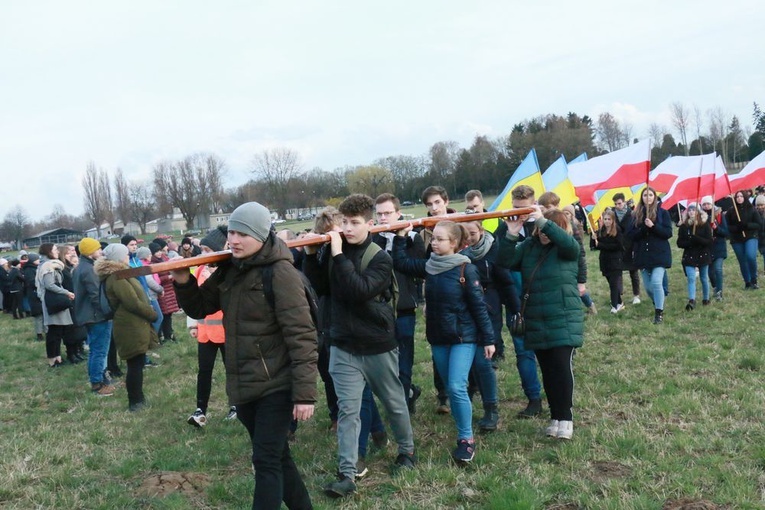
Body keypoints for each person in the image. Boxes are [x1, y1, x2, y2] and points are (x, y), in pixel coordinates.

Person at [173, 201, 318, 510]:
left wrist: (305, 393)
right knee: (279, 457)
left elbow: (302, 335)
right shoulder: (231, 269)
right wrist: (183, 281)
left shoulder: (281, 273)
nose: (234, 240)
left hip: (277, 384)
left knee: (265, 461)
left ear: (262, 236)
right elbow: (200, 308)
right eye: (232, 233)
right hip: (244, 383)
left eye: (242, 234)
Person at [303, 194, 415, 498]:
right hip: (342, 344)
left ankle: (407, 451)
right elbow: (322, 288)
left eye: (355, 223)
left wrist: (338, 256)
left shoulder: (379, 257)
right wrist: (313, 255)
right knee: (348, 410)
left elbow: (359, 291)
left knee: (393, 401)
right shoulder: (332, 251)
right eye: (345, 222)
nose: (348, 228)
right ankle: (347, 473)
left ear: (369, 224)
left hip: (377, 343)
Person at [393, 219, 494, 461]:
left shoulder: (465, 269)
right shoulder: (430, 266)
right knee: (451, 386)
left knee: (457, 386)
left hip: (463, 337)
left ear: (455, 244)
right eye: (433, 238)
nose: (434, 243)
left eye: (440, 239)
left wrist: (489, 339)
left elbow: (479, 307)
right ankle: (463, 427)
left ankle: (466, 439)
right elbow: (401, 263)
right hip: (438, 337)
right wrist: (399, 238)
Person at [498, 207, 584, 440]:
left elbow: (568, 245)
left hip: (563, 317)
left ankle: (566, 417)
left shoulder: (568, 248)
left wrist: (544, 221)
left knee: (561, 368)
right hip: (537, 317)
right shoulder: (529, 247)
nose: (544, 233)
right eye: (539, 229)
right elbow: (505, 260)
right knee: (547, 370)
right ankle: (555, 416)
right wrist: (511, 233)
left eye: (548, 228)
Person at [373, 193, 426, 414]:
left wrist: (401, 240)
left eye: (387, 213)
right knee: (384, 365)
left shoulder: (413, 238)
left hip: (404, 308)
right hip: (379, 309)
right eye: (379, 214)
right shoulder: (373, 239)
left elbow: (416, 267)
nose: (383, 218)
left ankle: (402, 407)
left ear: (398, 213)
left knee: (404, 360)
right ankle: (409, 392)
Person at [494, 185, 544, 418]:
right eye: (515, 208)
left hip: (543, 297)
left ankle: (558, 394)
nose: (520, 214)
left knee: (549, 352)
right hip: (515, 299)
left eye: (525, 209)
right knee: (523, 352)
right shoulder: (504, 226)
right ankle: (534, 399)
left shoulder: (543, 225)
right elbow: (499, 261)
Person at [463, 219, 517, 431]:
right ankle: (469, 393)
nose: (468, 238)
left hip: (489, 307)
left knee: (484, 360)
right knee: (469, 358)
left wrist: (516, 310)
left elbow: (505, 280)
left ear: (481, 231)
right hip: (466, 310)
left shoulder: (492, 251)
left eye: (472, 233)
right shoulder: (459, 255)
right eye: (464, 234)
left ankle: (491, 409)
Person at [96, 243, 159, 412]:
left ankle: (138, 398)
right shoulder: (117, 276)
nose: (127, 256)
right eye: (125, 254)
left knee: (137, 362)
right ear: (118, 257)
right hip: (129, 324)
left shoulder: (120, 273)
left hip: (133, 322)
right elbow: (132, 302)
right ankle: (135, 402)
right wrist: (152, 314)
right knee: (135, 363)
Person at [186, 226, 238, 427]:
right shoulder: (198, 269)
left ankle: (235, 405)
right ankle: (201, 409)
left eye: (208, 250)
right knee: (204, 371)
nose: (203, 254)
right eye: (203, 249)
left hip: (226, 332)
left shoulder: (228, 271)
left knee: (231, 369)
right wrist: (193, 324)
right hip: (205, 333)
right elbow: (193, 299)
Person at [72, 238, 115, 395]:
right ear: (90, 252)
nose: (100, 252)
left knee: (95, 350)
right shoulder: (89, 270)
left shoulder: (81, 267)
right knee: (100, 351)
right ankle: (98, 384)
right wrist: (108, 311)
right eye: (97, 249)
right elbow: (96, 296)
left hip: (90, 316)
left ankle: (98, 379)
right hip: (97, 316)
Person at [628, 187, 673, 325]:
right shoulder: (636, 215)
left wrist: (653, 226)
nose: (648, 197)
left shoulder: (663, 213)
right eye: (645, 195)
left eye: (650, 195)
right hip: (643, 255)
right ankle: (658, 301)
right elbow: (630, 236)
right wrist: (643, 228)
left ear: (655, 197)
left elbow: (668, 233)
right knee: (648, 287)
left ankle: (659, 312)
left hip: (660, 254)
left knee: (656, 281)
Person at [36, 244, 75, 369]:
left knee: (58, 331)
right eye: (54, 249)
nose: (57, 251)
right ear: (49, 252)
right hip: (53, 302)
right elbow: (50, 285)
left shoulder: (54, 265)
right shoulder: (48, 266)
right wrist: (66, 292)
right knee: (53, 332)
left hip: (56, 301)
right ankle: (52, 359)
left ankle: (57, 357)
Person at [677, 204, 713, 310]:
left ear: (698, 212)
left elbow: (709, 241)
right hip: (690, 255)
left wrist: (697, 239)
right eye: (690, 210)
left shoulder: (704, 224)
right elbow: (679, 243)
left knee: (704, 277)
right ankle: (692, 300)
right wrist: (689, 242)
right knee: (691, 278)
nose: (691, 212)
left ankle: (706, 298)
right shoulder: (684, 226)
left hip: (703, 254)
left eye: (694, 210)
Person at [726, 190, 761, 290]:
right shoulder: (731, 211)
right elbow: (727, 226)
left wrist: (747, 225)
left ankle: (754, 279)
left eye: (741, 196)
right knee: (742, 260)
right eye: (737, 197)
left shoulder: (752, 209)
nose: (739, 198)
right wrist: (736, 228)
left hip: (750, 236)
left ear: (745, 197)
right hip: (737, 239)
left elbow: (758, 224)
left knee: (750, 256)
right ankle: (747, 281)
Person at [592, 208, 625, 313]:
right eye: (605, 219)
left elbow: (618, 246)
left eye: (609, 219)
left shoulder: (617, 230)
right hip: (605, 261)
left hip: (615, 261)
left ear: (613, 220)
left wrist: (601, 245)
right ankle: (619, 302)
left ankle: (614, 306)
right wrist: (594, 239)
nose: (606, 221)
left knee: (613, 284)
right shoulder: (601, 231)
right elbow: (595, 247)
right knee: (610, 282)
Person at [612, 193, 641, 304]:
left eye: (619, 203)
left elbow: (636, 230)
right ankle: (619, 295)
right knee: (618, 272)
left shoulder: (632, 214)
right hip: (618, 247)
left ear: (624, 202)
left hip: (631, 246)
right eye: (615, 204)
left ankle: (636, 295)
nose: (617, 206)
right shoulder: (613, 215)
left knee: (633, 272)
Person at [701, 196, 728, 301]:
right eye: (704, 204)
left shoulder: (719, 215)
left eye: (708, 204)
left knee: (718, 269)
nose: (706, 206)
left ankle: (719, 292)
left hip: (719, 246)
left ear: (712, 205)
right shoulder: (700, 216)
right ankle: (715, 286)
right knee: (710, 272)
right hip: (707, 248)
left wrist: (717, 228)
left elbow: (725, 232)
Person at [23, 253, 45, 341]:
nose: (38, 260)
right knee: (38, 315)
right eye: (37, 259)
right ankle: (39, 334)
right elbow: (32, 282)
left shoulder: (36, 268)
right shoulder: (29, 270)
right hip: (34, 294)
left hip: (38, 293)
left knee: (43, 314)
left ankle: (45, 331)